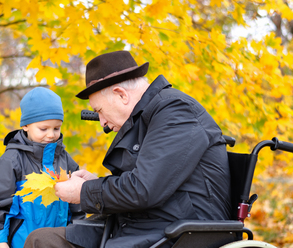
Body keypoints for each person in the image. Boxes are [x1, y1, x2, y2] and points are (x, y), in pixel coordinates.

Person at [24, 50, 232, 248]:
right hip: (139, 223)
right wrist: (95, 184)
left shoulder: (176, 112)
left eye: (100, 111)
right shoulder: (148, 116)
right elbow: (142, 181)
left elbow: (144, 189)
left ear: (121, 94)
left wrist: (84, 192)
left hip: (179, 232)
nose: (102, 123)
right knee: (41, 240)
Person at [0, 87, 80, 248]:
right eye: (44, 129)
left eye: (56, 128)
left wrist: (80, 235)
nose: (51, 135)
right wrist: (0, 242)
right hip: (21, 243)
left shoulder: (64, 159)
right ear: (26, 126)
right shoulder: (12, 160)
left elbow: (77, 207)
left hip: (59, 243)